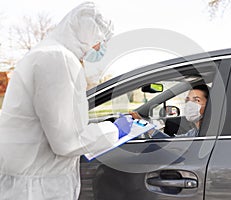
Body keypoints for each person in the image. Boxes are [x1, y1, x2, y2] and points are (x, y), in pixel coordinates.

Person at [0, 2, 132, 200]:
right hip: (36, 189)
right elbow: (67, 141)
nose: (100, 47)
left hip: (31, 180)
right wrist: (114, 130)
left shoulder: (46, 53)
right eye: (101, 40)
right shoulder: (57, 59)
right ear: (88, 31)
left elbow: (61, 121)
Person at [131, 84, 209, 138]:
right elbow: (174, 144)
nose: (189, 105)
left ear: (209, 105)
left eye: (196, 100)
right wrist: (145, 125)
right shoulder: (195, 132)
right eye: (187, 100)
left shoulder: (209, 132)